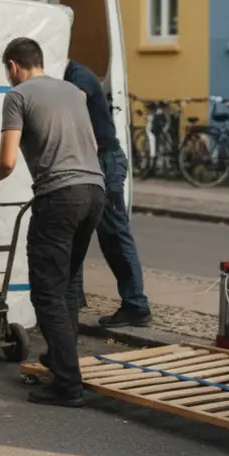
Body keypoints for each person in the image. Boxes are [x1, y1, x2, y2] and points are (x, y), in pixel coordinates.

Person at [0, 37, 104, 407]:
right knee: (65, 285)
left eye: (7, 71)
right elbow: (93, 146)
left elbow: (7, 160)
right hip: (94, 192)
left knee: (47, 291)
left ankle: (67, 385)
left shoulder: (17, 96)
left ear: (13, 66)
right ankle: (58, 359)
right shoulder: (72, 91)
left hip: (60, 197)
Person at [62, 60, 151, 327]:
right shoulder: (65, 77)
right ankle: (71, 303)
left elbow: (73, 109)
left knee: (114, 235)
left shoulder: (79, 76)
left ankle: (136, 305)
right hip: (90, 160)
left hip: (104, 160)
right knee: (73, 233)